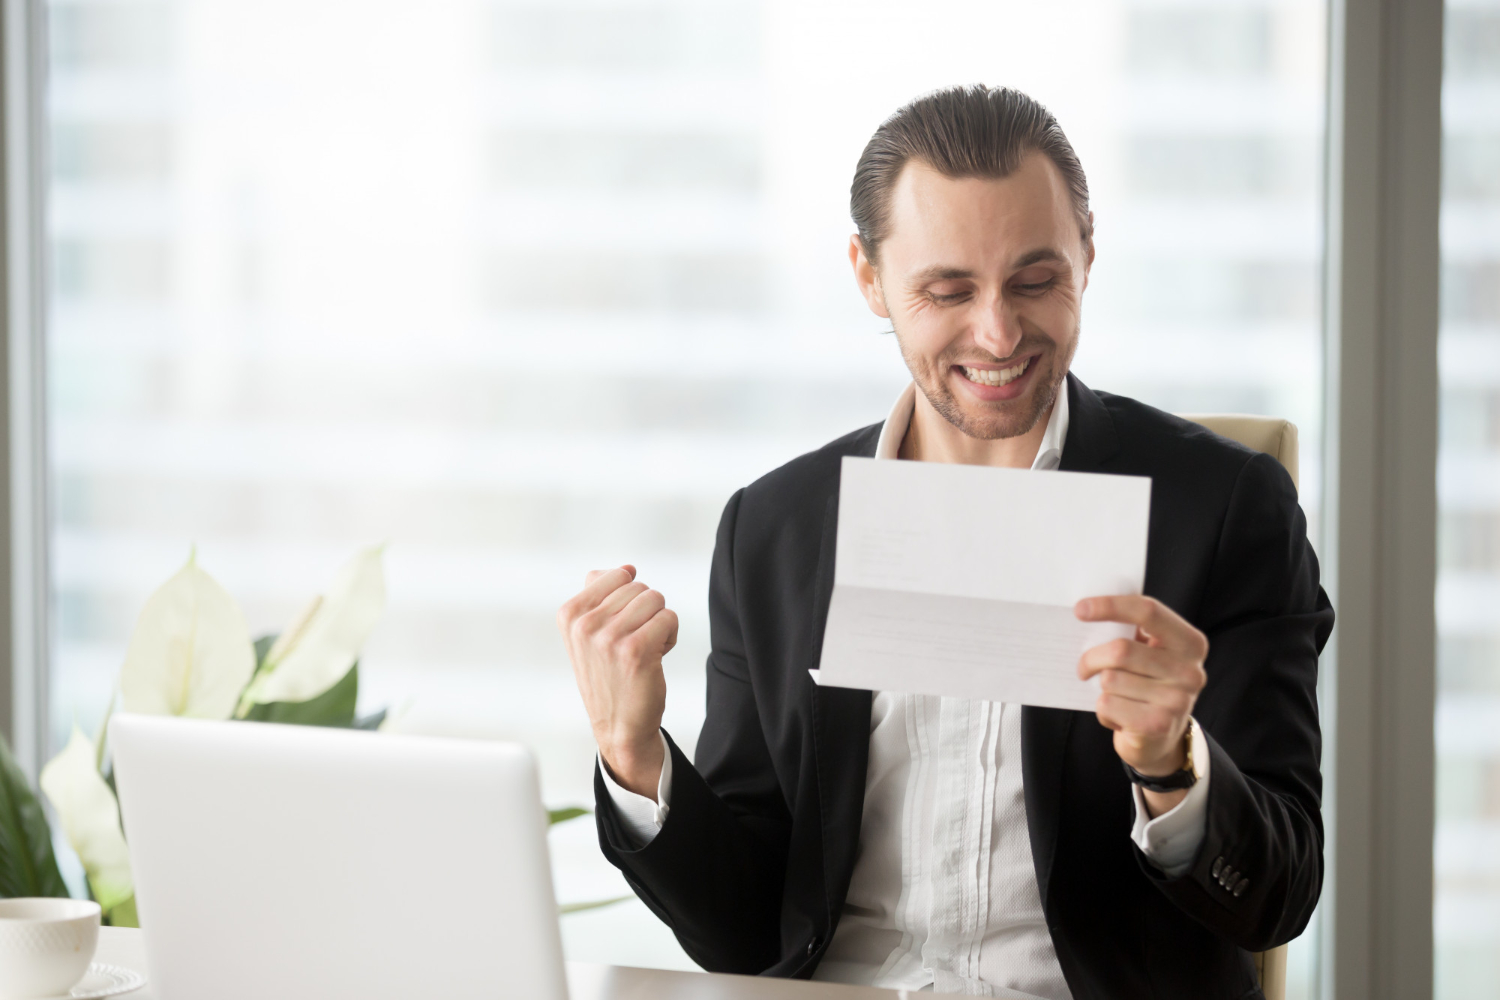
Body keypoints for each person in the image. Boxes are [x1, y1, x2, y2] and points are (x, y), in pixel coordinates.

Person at [557, 85, 1332, 1000]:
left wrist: (1174, 764)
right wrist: (634, 753)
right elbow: (745, 930)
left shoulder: (1222, 508)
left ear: (1088, 252)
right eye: (947, 290)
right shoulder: (775, 529)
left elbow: (1279, 895)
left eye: (1037, 280)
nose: (998, 333)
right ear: (868, 277)